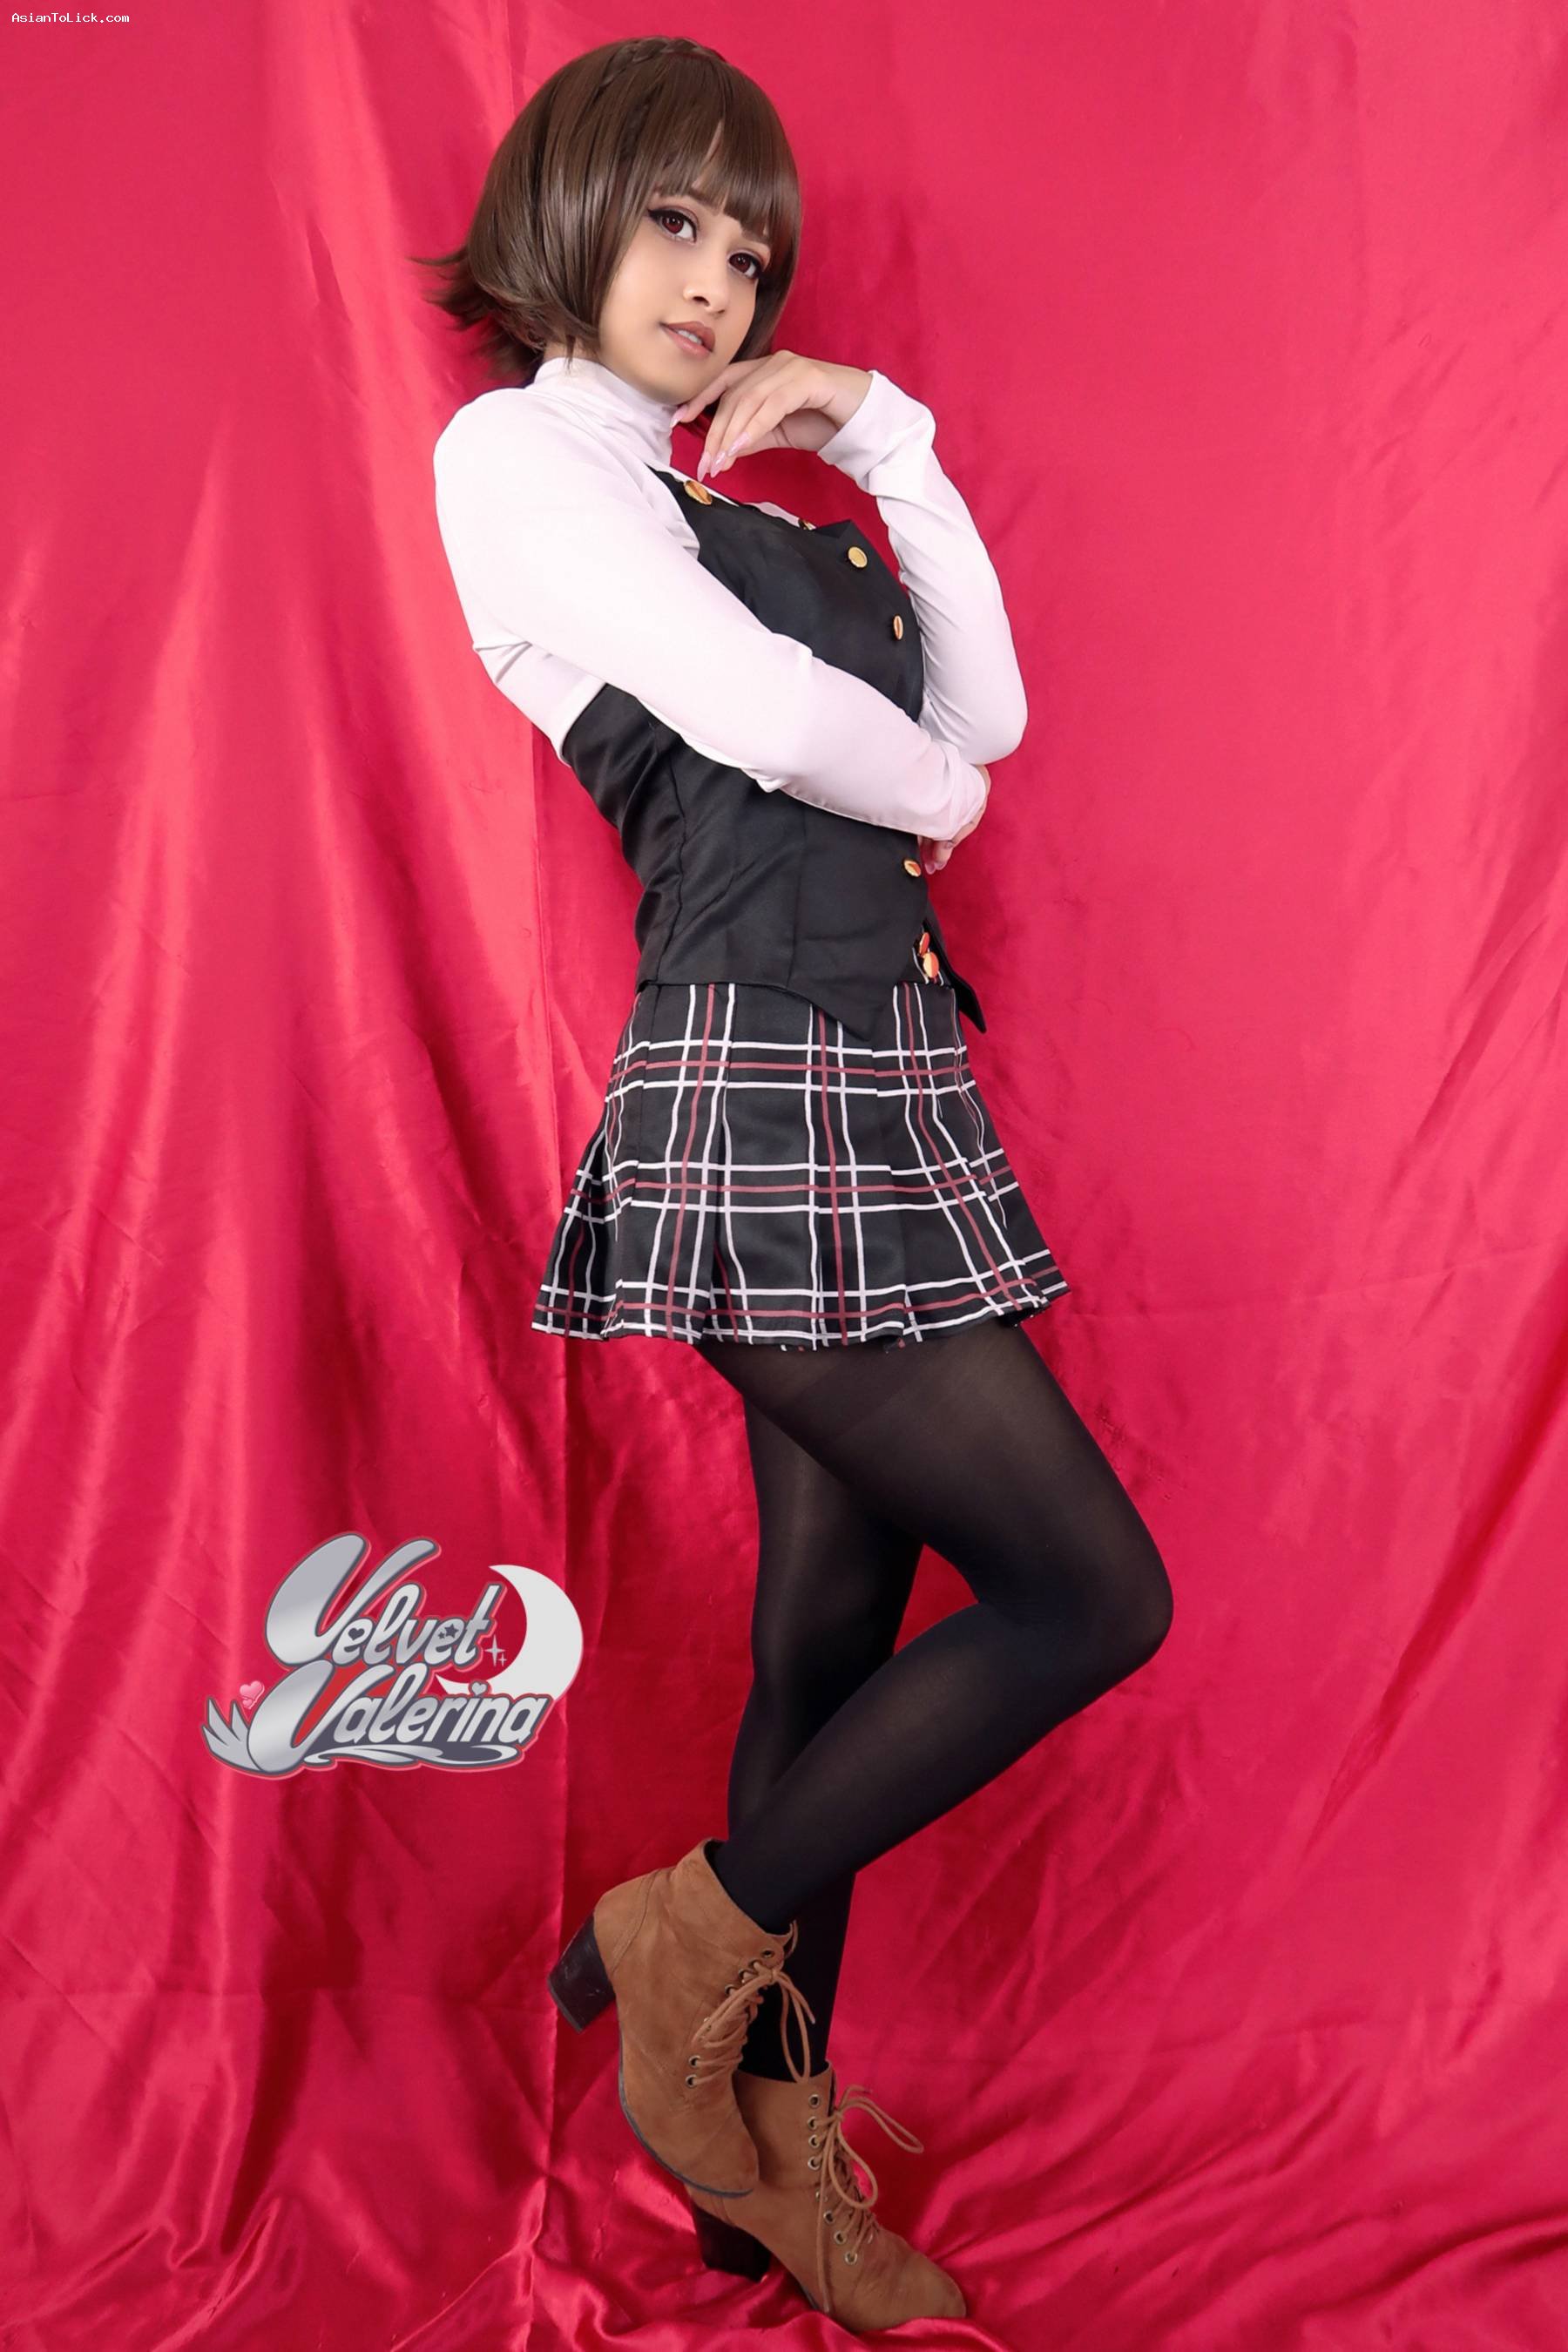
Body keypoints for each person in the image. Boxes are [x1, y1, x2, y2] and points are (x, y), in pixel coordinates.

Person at [422, 33, 1173, 2333]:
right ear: (573, 213)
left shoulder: (732, 494)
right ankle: (686, 1937)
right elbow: (787, 730)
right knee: (1091, 1594)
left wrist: (890, 436)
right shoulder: (516, 457)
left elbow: (987, 710)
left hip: (887, 1076)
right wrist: (933, 797)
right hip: (758, 1085)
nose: (717, 283)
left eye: (751, 255)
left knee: (827, 1639)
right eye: (676, 223)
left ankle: (763, 2156)